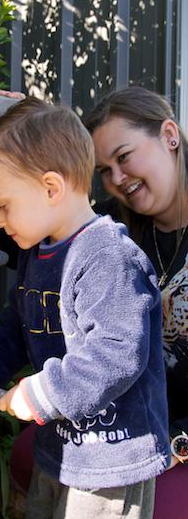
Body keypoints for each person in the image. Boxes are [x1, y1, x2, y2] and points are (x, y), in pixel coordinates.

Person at [0, 95, 170, 518]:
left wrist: (44, 391)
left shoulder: (108, 255)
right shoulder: (38, 256)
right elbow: (20, 328)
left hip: (112, 459)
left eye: (3, 205)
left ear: (51, 187)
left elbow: (117, 353)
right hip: (62, 447)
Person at [85, 86, 188, 519]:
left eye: (123, 156)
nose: (117, 178)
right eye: (105, 170)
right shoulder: (115, 228)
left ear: (169, 135)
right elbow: (28, 236)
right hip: (132, 427)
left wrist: (177, 442)